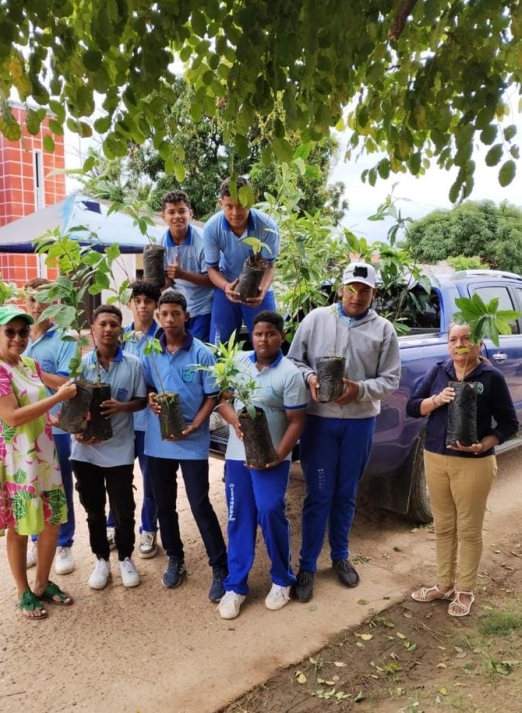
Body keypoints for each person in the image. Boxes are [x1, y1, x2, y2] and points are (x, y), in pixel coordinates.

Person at [288, 262, 401, 600]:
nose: (356, 295)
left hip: (359, 423)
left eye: (364, 289)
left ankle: (340, 557)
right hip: (320, 422)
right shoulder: (316, 320)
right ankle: (307, 565)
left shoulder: (383, 330)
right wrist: (309, 378)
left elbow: (391, 379)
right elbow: (294, 360)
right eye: (351, 288)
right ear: (340, 289)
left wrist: (360, 390)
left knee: (346, 493)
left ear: (373, 293)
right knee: (319, 494)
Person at [406, 322, 518, 617]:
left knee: (468, 528)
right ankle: (443, 585)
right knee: (443, 526)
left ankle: (464, 589)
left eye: (466, 339)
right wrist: (435, 400)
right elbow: (412, 406)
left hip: (475, 463)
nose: (459, 345)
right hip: (435, 457)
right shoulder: (438, 371)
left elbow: (509, 423)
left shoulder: (490, 377)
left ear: (478, 343)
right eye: (453, 339)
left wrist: (483, 445)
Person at [0, 305, 77, 619]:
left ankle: (43, 583)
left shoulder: (29, 364)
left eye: (22, 332)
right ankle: (23, 591)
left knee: (52, 522)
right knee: (19, 526)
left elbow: (40, 407)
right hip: (16, 462)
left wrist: (62, 418)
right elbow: (13, 416)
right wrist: (58, 397)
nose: (18, 338)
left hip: (44, 455)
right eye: (10, 332)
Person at [216, 311, 307, 619]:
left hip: (273, 457)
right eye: (258, 334)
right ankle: (235, 586)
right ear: (251, 337)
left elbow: (296, 422)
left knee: (269, 511)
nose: (263, 339)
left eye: (270, 333)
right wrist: (235, 424)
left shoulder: (290, 374)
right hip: (237, 457)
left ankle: (282, 579)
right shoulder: (238, 363)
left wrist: (278, 457)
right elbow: (224, 400)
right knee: (238, 517)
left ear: (281, 336)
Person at [142, 290, 228, 600]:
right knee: (164, 506)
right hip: (159, 441)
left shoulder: (202, 353)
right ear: (158, 317)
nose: (169, 319)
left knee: (200, 504)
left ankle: (220, 566)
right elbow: (149, 387)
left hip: (192, 441)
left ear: (185, 315)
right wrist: (152, 400)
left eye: (175, 314)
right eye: (164, 314)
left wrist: (195, 424)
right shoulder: (150, 351)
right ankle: (175, 559)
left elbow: (212, 395)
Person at [70, 305, 147, 590]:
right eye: (103, 323)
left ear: (120, 330)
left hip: (119, 450)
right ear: (93, 328)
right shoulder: (81, 365)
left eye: (114, 324)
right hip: (84, 452)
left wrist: (122, 406)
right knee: (93, 510)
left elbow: (140, 400)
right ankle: (101, 558)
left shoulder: (134, 365)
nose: (108, 329)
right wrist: (78, 431)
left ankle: (126, 557)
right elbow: (70, 406)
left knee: (124, 508)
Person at [23, 277, 77, 576]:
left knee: (60, 489)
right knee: (31, 486)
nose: (36, 305)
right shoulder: (19, 337)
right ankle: (35, 539)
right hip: (25, 427)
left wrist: (36, 372)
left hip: (55, 426)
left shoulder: (65, 338)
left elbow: (69, 385)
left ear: (53, 302)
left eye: (42, 299)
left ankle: (64, 543)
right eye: (31, 300)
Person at [112, 279, 162, 559]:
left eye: (148, 301)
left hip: (149, 423)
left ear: (155, 305)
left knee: (151, 481)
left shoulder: (162, 337)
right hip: (121, 422)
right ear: (129, 304)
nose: (142, 306)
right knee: (116, 476)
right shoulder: (121, 337)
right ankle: (113, 525)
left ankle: (148, 529)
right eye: (137, 301)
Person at [203, 176, 279, 345]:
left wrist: (262, 290)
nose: (235, 213)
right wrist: (225, 287)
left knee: (267, 343)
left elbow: (270, 265)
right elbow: (212, 269)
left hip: (259, 288)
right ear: (220, 203)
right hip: (227, 286)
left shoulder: (267, 226)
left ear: (250, 202)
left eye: (241, 205)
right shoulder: (211, 228)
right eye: (229, 206)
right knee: (219, 345)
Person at [160, 190, 214, 342]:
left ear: (190, 213)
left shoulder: (204, 240)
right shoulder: (160, 244)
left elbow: (212, 281)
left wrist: (182, 274)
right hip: (179, 310)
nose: (177, 216)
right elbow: (167, 280)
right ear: (163, 216)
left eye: (182, 211)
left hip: (204, 307)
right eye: (171, 212)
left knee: (198, 351)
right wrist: (154, 286)